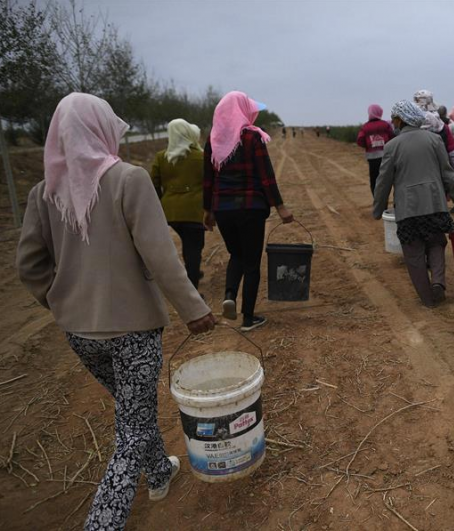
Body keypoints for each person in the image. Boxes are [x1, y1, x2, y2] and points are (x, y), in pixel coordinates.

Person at [17, 93, 216, 530]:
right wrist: (194, 310)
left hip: (79, 333)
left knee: (133, 411)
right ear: (101, 129)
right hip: (132, 330)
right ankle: (102, 524)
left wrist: (62, 299)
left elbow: (28, 265)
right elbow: (161, 256)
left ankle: (160, 473)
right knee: (130, 430)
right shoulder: (128, 179)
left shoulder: (44, 191)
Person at [203, 91, 294, 331]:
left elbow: (208, 179)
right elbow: (266, 176)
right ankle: (248, 318)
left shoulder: (213, 140)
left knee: (236, 254)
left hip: (223, 209)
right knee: (252, 262)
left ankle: (230, 295)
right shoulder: (252, 138)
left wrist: (207, 210)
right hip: (251, 207)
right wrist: (281, 207)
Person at [373, 100, 454, 307]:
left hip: (408, 209)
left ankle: (427, 299)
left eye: (393, 118)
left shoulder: (392, 146)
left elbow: (383, 182)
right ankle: (438, 284)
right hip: (435, 204)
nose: (392, 121)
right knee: (436, 242)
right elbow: (448, 174)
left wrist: (378, 209)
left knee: (413, 251)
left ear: (401, 119)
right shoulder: (434, 140)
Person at [150, 118, 206, 288]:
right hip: (194, 211)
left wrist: (163, 202)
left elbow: (153, 183)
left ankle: (192, 271)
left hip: (170, 212)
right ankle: (193, 287)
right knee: (194, 247)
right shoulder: (201, 157)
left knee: (188, 244)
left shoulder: (161, 157)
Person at [413, 89, 454, 183]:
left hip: (418, 176)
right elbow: (453, 153)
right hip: (441, 175)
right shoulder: (443, 127)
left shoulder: (410, 127)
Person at [356, 104, 395, 196]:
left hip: (372, 158)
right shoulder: (385, 125)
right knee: (388, 179)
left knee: (374, 180)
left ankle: (378, 202)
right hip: (387, 157)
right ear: (380, 112)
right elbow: (392, 137)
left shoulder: (365, 127)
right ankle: (389, 202)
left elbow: (360, 140)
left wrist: (368, 146)